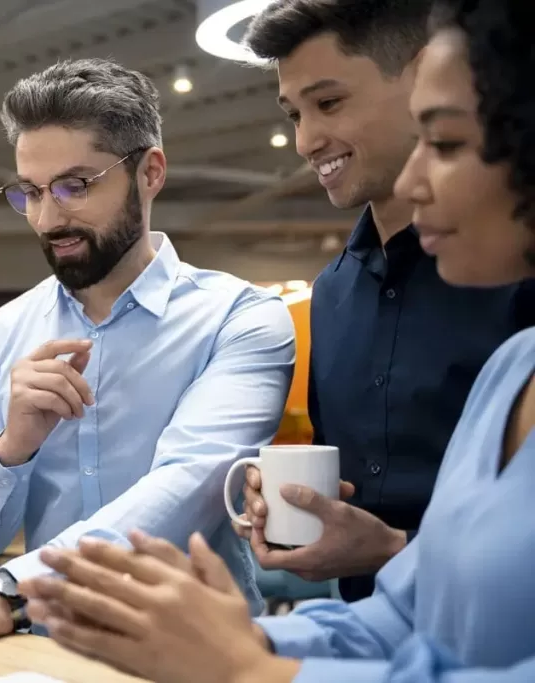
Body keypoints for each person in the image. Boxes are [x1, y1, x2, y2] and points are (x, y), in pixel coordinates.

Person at [18, 0, 535, 680]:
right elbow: (405, 617)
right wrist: (229, 638)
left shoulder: (246, 317)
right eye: (295, 113)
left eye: (441, 142)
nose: (413, 180)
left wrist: (250, 666)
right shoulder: (509, 370)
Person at [0, 58, 297, 635]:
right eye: (30, 191)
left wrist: (13, 592)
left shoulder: (240, 318)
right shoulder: (3, 332)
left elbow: (187, 489)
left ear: (150, 172)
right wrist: (13, 447)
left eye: (74, 186)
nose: (49, 218)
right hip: (47, 650)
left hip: (200, 651)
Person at [235, 0, 534, 601]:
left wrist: (394, 550)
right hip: (366, 636)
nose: (305, 140)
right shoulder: (332, 293)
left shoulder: (513, 266)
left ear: (422, 77)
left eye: (329, 103)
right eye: (294, 114)